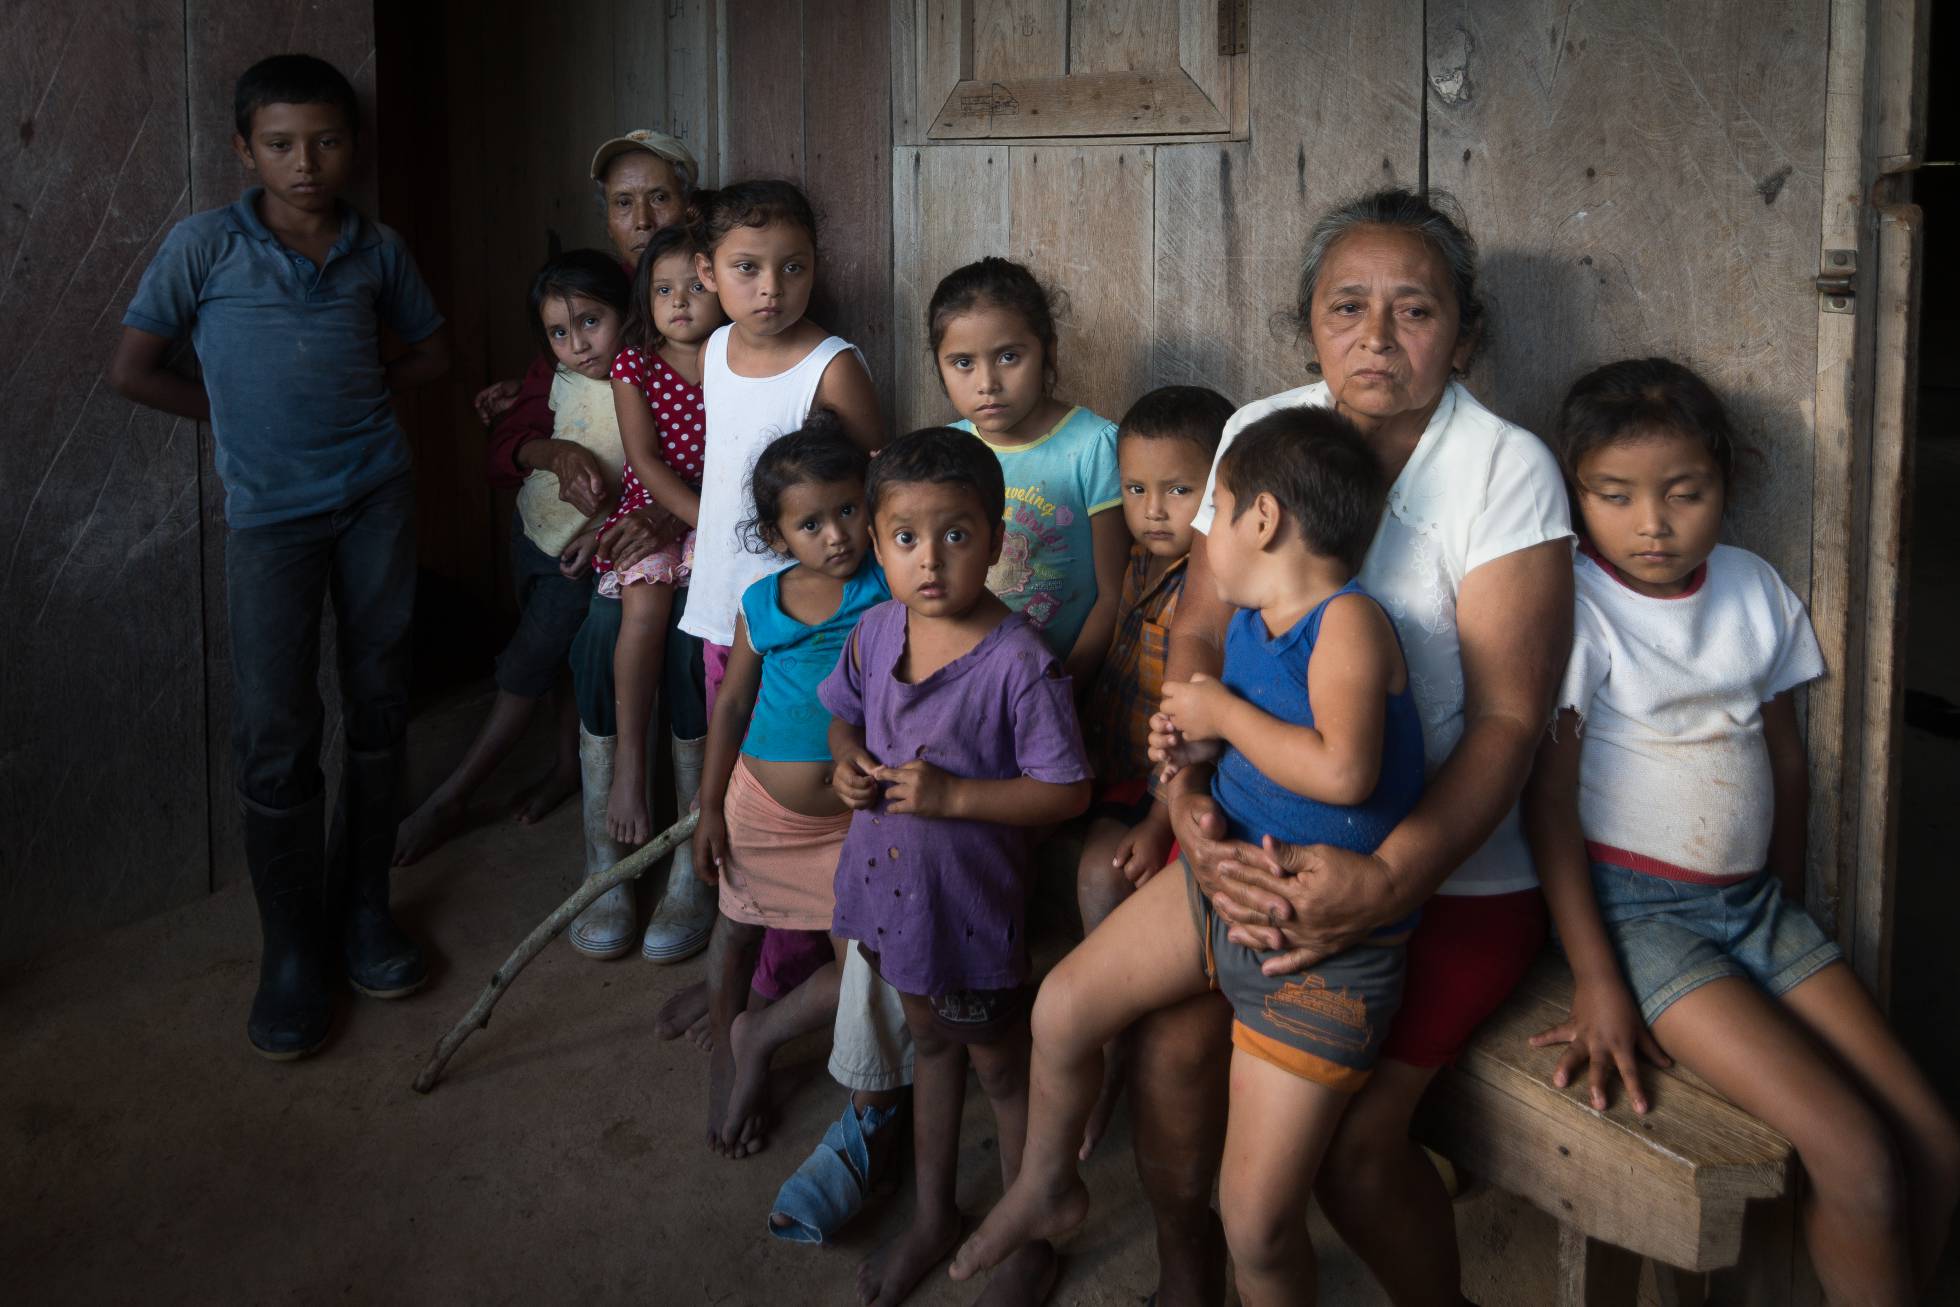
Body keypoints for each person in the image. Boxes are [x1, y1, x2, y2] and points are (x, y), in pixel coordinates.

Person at [1132, 189, 1574, 1307]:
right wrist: (1188, 795)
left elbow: (1509, 722)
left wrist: (1383, 880)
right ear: (1310, 325)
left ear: (1463, 334)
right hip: (1256, 830)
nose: (1377, 337)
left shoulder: (1502, 467)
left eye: (1414, 310)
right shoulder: (1262, 432)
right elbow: (1195, 627)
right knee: (1175, 1051)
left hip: (1451, 871)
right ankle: (1193, 1277)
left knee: (1356, 1146)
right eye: (1347, 307)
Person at [953, 409, 1423, 1305]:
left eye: (1217, 507)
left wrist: (1223, 717)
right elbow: (1246, 740)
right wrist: (1193, 753)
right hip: (1219, 881)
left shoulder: (1349, 622)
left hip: (1322, 944)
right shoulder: (1252, 617)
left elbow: (1346, 769)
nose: (1204, 533)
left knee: (1257, 1222)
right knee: (1061, 1011)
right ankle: (1049, 1183)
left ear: (1263, 520)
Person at [1523, 358, 1960, 1306]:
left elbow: (1787, 761)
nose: (1653, 522)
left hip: (1756, 906)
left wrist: (1789, 915)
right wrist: (1599, 978)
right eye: (1616, 495)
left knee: (1932, 1141)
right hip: (1640, 920)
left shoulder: (1754, 589)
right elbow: (1548, 805)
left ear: (1725, 481)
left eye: (1686, 492)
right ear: (1575, 494)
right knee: (1856, 1153)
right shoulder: (1577, 608)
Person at [108, 54, 450, 1059]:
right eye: (282, 144)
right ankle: (292, 949)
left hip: (375, 499)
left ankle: (364, 909)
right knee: (274, 725)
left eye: (328, 141)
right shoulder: (204, 246)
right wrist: (239, 413)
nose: (307, 163)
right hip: (271, 521)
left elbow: (430, 353)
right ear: (244, 150)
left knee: (379, 697)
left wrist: (369, 374)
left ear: (355, 146)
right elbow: (132, 369)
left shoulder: (375, 247)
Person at [823, 428, 1092, 1307]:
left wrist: (954, 799)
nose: (929, 561)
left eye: (956, 535)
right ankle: (934, 1214)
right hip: (892, 898)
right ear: (875, 539)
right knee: (929, 1044)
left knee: (1001, 1068)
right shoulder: (875, 628)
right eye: (905, 538)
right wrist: (844, 760)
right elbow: (844, 718)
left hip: (968, 914)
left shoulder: (1019, 663)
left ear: (998, 536)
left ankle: (1031, 1230)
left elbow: (1066, 791)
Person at [692, 419, 888, 1158]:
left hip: (851, 823)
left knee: (861, 969)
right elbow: (734, 705)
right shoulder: (763, 604)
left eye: (848, 510)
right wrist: (709, 806)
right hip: (761, 811)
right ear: (777, 537)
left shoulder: (885, 585)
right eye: (810, 522)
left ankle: (762, 1033)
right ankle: (725, 1051)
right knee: (735, 930)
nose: (836, 534)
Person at [393, 252, 628, 866]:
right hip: (531, 539)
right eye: (559, 331)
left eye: (592, 322)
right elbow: (501, 455)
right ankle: (565, 766)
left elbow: (662, 472)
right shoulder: (553, 378)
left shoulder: (646, 382)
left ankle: (452, 796)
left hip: (581, 562)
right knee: (557, 667)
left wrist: (607, 526)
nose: (577, 344)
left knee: (523, 670)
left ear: (626, 315)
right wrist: (549, 449)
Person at [1073, 385, 1235, 1159]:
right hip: (1114, 765)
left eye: (1179, 489)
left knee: (1102, 875)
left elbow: (1201, 737)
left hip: (1172, 785)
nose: (1155, 509)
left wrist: (1154, 817)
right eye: (1136, 489)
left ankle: (1110, 1047)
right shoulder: (1133, 565)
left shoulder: (1225, 586)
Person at [559, 226, 726, 956]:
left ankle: (694, 857)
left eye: (695, 287)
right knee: (643, 606)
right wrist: (697, 522)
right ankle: (627, 777)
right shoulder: (636, 363)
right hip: (661, 512)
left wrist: (718, 527)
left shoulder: (736, 358)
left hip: (719, 517)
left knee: (699, 640)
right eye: (663, 291)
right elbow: (644, 460)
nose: (680, 303)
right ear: (644, 301)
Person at [931, 258, 1129, 682]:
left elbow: (1113, 594)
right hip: (968, 682)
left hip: (1064, 676)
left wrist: (1063, 688)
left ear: (1048, 351)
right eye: (962, 362)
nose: (987, 382)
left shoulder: (1092, 447)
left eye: (1008, 356)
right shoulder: (945, 453)